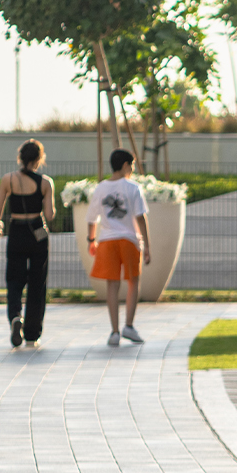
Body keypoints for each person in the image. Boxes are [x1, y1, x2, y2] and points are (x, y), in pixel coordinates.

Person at [0, 140, 55, 348]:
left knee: (14, 280)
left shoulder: (8, 179)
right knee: (37, 283)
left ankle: (16, 317)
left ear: (20, 158)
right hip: (37, 232)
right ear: (39, 159)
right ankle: (33, 334)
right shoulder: (45, 182)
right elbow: (49, 215)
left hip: (16, 229)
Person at [86, 149, 151, 347]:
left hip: (106, 240)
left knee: (112, 285)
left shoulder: (100, 188)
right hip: (129, 240)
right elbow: (140, 217)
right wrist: (147, 245)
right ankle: (129, 326)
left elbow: (91, 218)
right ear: (125, 165)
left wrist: (91, 240)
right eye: (131, 165)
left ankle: (114, 331)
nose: (131, 169)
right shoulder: (133, 188)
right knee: (133, 281)